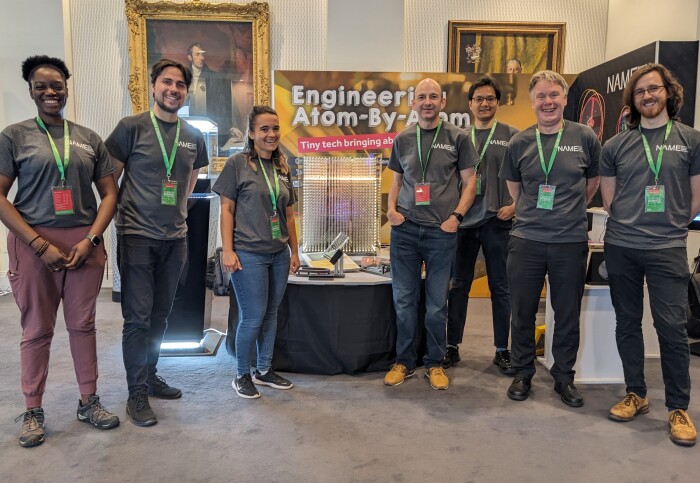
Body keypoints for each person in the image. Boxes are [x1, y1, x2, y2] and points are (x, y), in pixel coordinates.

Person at [0, 55, 120, 448]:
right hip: (34, 243)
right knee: (37, 329)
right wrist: (37, 244)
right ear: (31, 91)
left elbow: (109, 194)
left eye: (57, 85)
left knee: (83, 325)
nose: (50, 92)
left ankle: (89, 401)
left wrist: (92, 240)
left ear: (67, 88)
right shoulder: (14, 136)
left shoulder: (88, 138)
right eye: (41, 86)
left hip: (84, 243)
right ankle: (33, 409)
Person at [599, 63, 699, 446]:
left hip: (667, 248)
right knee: (627, 323)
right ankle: (636, 394)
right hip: (622, 246)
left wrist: (669, 224)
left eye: (654, 89)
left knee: (671, 328)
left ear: (668, 93)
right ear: (633, 99)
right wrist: (632, 221)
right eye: (640, 91)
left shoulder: (691, 140)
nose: (648, 96)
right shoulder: (615, 145)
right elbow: (608, 199)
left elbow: (695, 199)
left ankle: (678, 408)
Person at [106, 59, 209, 426]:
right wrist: (119, 218)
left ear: (186, 92)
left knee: (161, 314)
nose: (173, 89)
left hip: (175, 240)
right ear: (153, 86)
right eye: (167, 82)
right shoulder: (130, 128)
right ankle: (135, 393)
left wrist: (175, 213)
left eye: (180, 84)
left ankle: (149, 377)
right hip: (136, 236)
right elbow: (109, 182)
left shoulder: (193, 135)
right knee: (137, 318)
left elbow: (191, 180)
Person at [499, 70, 600, 407]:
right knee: (522, 311)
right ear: (532, 102)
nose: (548, 102)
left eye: (554, 94)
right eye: (541, 96)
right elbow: (515, 189)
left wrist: (569, 209)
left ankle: (564, 377)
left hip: (569, 240)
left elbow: (592, 183)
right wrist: (533, 212)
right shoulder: (519, 142)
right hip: (526, 239)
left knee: (567, 313)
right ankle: (523, 371)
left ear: (565, 99)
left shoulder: (584, 136)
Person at [384, 78, 478, 390]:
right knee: (404, 301)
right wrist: (391, 211)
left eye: (433, 96)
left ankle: (435, 362)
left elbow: (470, 182)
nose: (427, 102)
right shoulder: (403, 138)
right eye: (422, 96)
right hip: (406, 231)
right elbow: (397, 182)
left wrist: (456, 217)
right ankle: (404, 361)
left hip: (441, 233)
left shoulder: (458, 137)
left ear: (442, 102)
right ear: (413, 103)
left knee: (437, 305)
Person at [213, 105, 301, 399]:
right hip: (248, 254)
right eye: (264, 129)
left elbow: (289, 216)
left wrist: (294, 252)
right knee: (252, 317)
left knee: (271, 314)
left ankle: (263, 370)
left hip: (278, 254)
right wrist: (227, 251)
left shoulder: (283, 168)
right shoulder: (236, 164)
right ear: (251, 133)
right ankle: (241, 374)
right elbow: (226, 210)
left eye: (275, 128)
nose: (271, 134)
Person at [443, 76, 518, 374]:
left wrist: (515, 207)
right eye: (479, 99)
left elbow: (527, 177)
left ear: (497, 102)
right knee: (458, 286)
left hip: (497, 221)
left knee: (501, 287)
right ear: (470, 104)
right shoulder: (460, 137)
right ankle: (452, 346)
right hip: (463, 223)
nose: (484, 104)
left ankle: (502, 349)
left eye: (490, 99)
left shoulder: (513, 136)